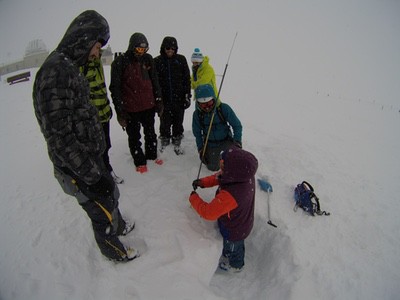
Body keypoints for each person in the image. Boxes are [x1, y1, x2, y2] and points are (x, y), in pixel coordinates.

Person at [32, 10, 137, 262]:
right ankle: (114, 251)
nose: (97, 53)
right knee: (99, 209)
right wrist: (90, 176)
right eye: (97, 45)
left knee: (109, 193)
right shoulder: (56, 71)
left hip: (90, 158)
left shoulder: (70, 66)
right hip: (78, 168)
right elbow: (60, 138)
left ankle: (119, 224)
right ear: (84, 38)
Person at [189, 147, 258, 272]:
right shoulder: (243, 176)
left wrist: (194, 199)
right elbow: (220, 177)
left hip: (234, 229)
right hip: (240, 220)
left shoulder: (232, 194)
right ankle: (231, 254)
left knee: (233, 248)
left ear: (233, 170)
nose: (220, 165)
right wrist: (203, 182)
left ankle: (236, 266)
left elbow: (208, 212)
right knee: (236, 245)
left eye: (223, 164)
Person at [109, 32, 164, 174]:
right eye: (139, 49)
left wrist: (159, 100)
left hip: (148, 106)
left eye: (144, 49)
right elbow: (115, 88)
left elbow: (155, 81)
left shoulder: (148, 59)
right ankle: (139, 161)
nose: (141, 52)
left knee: (150, 133)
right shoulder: (120, 62)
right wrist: (120, 111)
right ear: (132, 47)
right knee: (134, 136)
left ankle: (152, 156)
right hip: (130, 108)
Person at [80, 53, 124, 184]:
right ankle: (99, 175)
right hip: (90, 116)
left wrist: (107, 106)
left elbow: (101, 87)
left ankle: (106, 171)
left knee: (105, 144)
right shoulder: (80, 65)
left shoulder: (97, 62)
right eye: (97, 48)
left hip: (103, 111)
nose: (99, 52)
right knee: (95, 147)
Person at [192, 84, 242, 171]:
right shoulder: (197, 115)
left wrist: (237, 142)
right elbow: (197, 134)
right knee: (213, 168)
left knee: (233, 164)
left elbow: (237, 126)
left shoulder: (224, 108)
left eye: (209, 102)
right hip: (211, 144)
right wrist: (201, 149)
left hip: (226, 141)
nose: (206, 106)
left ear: (213, 99)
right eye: (203, 104)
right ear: (198, 103)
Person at [154, 36, 191, 155]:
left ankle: (177, 139)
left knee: (178, 121)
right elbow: (153, 82)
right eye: (167, 48)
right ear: (163, 48)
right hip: (164, 99)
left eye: (173, 48)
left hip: (178, 99)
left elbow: (187, 79)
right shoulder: (157, 61)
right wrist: (156, 99)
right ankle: (164, 139)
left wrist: (187, 95)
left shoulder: (181, 59)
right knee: (164, 122)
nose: (170, 50)